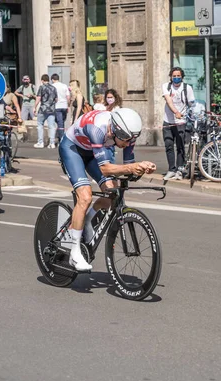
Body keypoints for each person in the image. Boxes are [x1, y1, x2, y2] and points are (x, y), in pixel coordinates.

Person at [59, 108, 156, 271]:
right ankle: (74, 253)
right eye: (125, 139)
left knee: (112, 191)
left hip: (92, 153)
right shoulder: (98, 129)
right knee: (85, 196)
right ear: (115, 130)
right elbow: (105, 169)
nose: (127, 143)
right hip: (73, 149)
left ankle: (88, 219)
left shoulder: (127, 134)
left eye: (131, 139)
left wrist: (141, 169)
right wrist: (133, 167)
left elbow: (127, 168)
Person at [162, 67, 195, 181]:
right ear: (171, 77)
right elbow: (168, 100)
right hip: (168, 121)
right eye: (174, 76)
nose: (176, 78)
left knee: (180, 147)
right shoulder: (166, 86)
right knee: (169, 145)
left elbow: (191, 104)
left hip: (181, 122)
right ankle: (171, 169)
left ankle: (179, 171)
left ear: (182, 76)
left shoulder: (187, 88)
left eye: (178, 76)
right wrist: (176, 112)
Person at [34, 74, 58, 149]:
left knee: (40, 125)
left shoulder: (41, 87)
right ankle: (52, 143)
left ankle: (40, 142)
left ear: (42, 80)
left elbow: (38, 98)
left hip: (43, 109)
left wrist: (34, 107)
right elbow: (56, 99)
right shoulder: (54, 88)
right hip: (51, 109)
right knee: (51, 126)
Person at [51, 73, 70, 143]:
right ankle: (60, 134)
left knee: (59, 122)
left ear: (52, 79)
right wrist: (68, 105)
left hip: (57, 106)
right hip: (64, 105)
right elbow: (68, 96)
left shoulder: (52, 86)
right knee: (62, 121)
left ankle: (61, 138)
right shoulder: (64, 86)